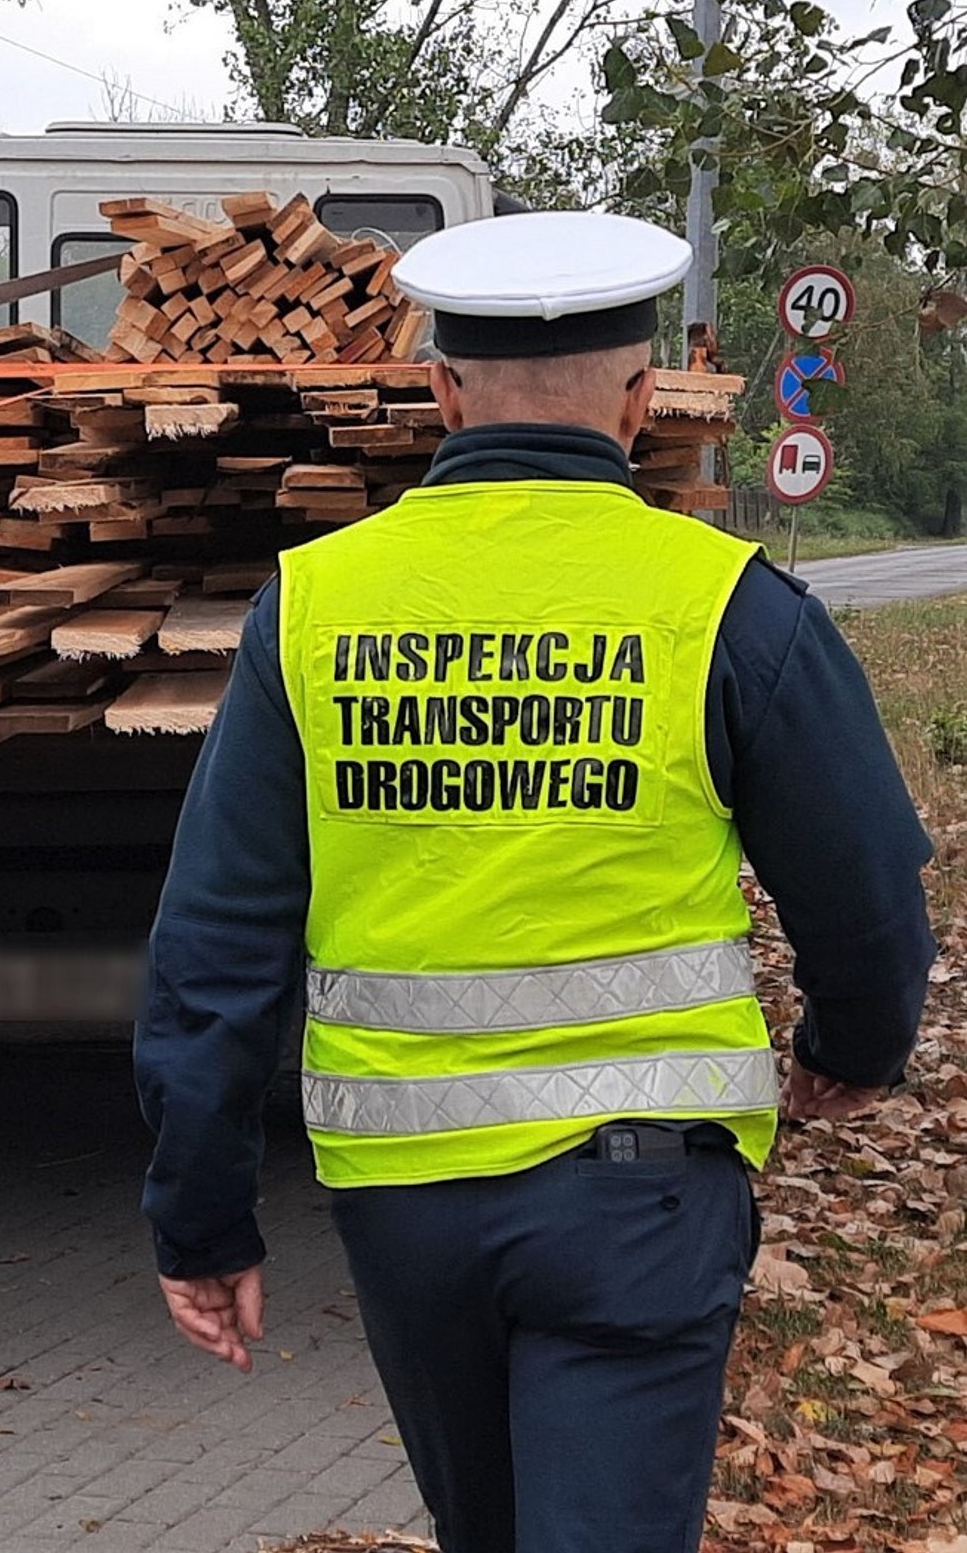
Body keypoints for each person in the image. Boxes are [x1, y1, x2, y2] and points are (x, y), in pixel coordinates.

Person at [136, 210, 933, 1553]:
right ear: (638, 399)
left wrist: (198, 1213)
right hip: (643, 1205)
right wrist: (854, 1046)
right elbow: (861, 892)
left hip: (406, 1210)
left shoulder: (315, 605)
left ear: (442, 393)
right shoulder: (726, 605)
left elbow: (215, 937)